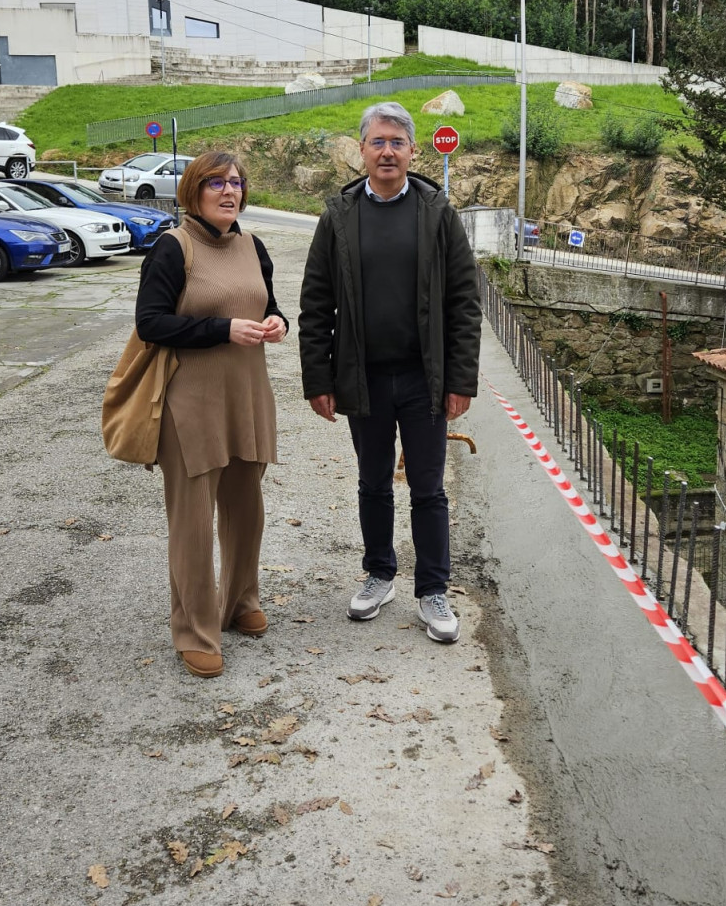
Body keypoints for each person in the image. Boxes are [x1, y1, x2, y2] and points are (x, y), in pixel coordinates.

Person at [298, 102, 481, 643]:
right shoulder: (338, 217)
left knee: (428, 489)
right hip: (365, 380)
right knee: (373, 483)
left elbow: (465, 301)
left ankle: (433, 590)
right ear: (361, 151)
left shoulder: (437, 213)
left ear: (412, 150)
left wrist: (460, 381)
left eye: (396, 142)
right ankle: (380, 574)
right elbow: (315, 304)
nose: (386, 151)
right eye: (377, 142)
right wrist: (319, 380)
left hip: (424, 380)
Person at [135, 150, 288, 679]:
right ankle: (195, 629)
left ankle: (240, 599)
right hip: (191, 402)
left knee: (247, 507)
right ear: (193, 191)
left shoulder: (253, 244)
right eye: (217, 183)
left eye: (237, 182)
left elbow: (268, 304)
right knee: (194, 519)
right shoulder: (173, 249)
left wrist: (276, 323)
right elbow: (151, 324)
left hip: (246, 394)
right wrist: (223, 330)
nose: (230, 191)